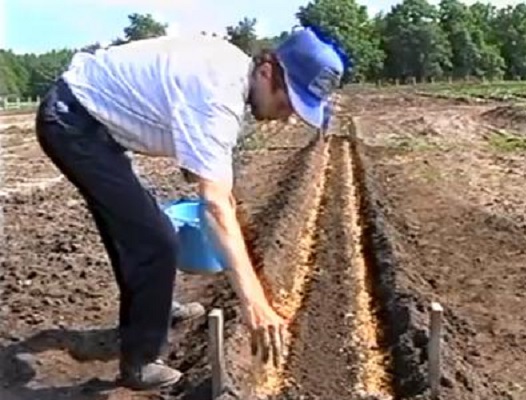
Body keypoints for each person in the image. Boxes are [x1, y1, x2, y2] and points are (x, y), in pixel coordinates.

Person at [34, 27, 346, 390]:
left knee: (140, 230)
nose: (287, 116)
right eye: (288, 102)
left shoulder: (230, 70)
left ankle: (154, 311)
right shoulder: (218, 96)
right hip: (72, 124)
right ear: (266, 71)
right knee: (155, 240)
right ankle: (141, 362)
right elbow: (214, 206)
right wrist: (254, 302)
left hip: (90, 124)